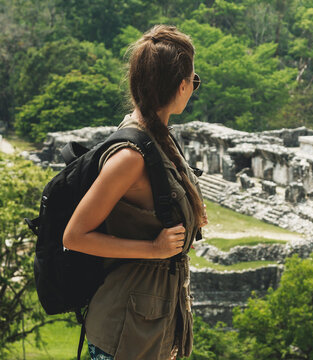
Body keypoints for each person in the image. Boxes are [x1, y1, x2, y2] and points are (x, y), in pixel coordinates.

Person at [63, 25, 207, 360]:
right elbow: (74, 236)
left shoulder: (158, 136)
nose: (192, 87)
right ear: (182, 85)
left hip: (151, 320)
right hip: (125, 330)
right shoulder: (131, 156)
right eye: (193, 80)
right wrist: (153, 249)